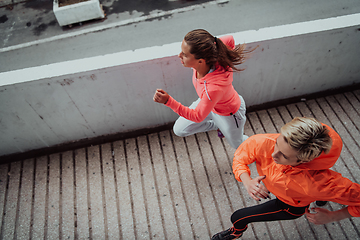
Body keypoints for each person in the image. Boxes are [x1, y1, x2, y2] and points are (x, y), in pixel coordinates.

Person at [212, 117, 360, 239]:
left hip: (290, 205)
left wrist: (333, 217)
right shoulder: (264, 141)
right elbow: (240, 157)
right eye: (277, 142)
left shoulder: (322, 184)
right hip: (301, 191)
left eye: (284, 155)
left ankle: (236, 232)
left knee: (238, 217)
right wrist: (247, 181)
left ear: (304, 162)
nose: (273, 154)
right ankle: (321, 199)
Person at [153, 29, 255, 149]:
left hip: (229, 114)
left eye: (185, 55)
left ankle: (255, 149)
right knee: (179, 130)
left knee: (238, 145)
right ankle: (218, 125)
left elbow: (198, 117)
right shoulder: (211, 52)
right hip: (208, 104)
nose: (179, 55)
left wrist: (168, 101)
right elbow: (230, 39)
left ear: (200, 61)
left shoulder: (213, 88)